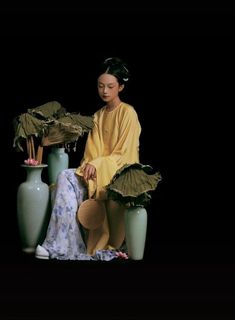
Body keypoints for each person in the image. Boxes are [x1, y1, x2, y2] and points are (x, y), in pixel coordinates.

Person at [35, 57, 141, 260]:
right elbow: (91, 152)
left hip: (116, 177)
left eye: (110, 86)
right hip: (96, 174)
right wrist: (91, 166)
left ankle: (58, 246)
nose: (105, 91)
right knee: (65, 176)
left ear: (121, 87)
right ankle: (60, 245)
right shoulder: (98, 116)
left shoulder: (128, 113)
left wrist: (98, 165)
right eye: (101, 86)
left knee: (69, 176)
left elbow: (125, 155)